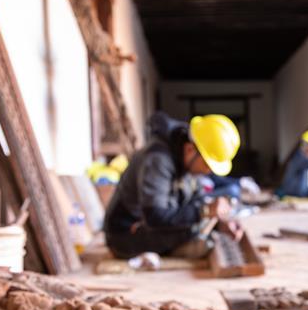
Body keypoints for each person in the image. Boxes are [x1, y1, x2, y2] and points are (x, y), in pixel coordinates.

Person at [103, 111, 241, 259]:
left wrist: (222, 218)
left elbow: (197, 197)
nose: (208, 172)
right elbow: (155, 217)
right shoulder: (158, 161)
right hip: (123, 235)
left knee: (203, 222)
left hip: (147, 224)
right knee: (194, 230)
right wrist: (205, 211)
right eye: (207, 165)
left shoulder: (184, 158)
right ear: (190, 149)